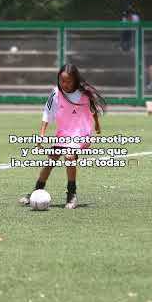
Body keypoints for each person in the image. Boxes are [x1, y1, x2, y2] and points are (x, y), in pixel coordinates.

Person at [19, 64, 106, 209]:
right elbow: (47, 112)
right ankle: (36, 191)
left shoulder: (85, 94)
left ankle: (72, 195)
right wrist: (41, 134)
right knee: (50, 161)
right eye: (62, 81)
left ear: (75, 80)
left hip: (81, 133)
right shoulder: (55, 93)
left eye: (68, 81)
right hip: (64, 133)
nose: (64, 84)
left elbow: (93, 110)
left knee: (69, 157)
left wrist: (96, 125)